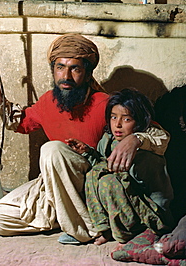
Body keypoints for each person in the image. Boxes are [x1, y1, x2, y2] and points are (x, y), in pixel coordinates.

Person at [0, 33, 171, 245]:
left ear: (88, 74)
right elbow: (22, 122)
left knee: (51, 150)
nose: (66, 77)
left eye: (75, 69)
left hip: (92, 187)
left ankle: (86, 229)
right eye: (60, 67)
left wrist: (134, 139)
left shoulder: (105, 104)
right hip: (57, 187)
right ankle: (68, 217)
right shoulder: (48, 102)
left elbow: (159, 135)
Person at [68, 89, 174, 247]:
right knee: (93, 174)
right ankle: (105, 228)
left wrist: (135, 139)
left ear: (138, 121)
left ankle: (128, 234)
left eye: (126, 119)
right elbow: (104, 163)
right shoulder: (108, 139)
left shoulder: (149, 143)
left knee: (109, 182)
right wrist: (88, 152)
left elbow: (161, 139)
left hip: (151, 213)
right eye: (113, 117)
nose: (117, 124)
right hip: (128, 204)